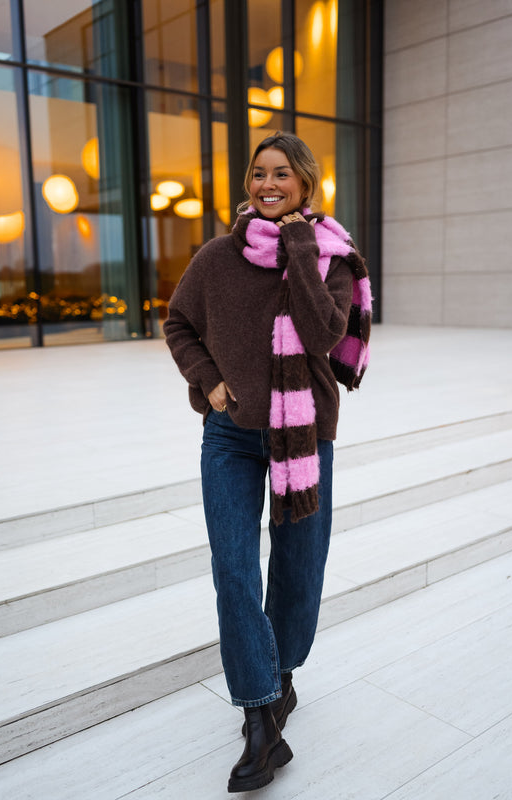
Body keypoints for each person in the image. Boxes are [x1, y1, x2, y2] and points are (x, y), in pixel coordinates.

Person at [164, 131, 371, 793]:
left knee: (298, 568)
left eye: (281, 174)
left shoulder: (330, 257)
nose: (267, 185)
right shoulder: (217, 257)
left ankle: (280, 675)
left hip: (304, 435)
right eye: (258, 174)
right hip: (229, 437)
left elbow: (322, 336)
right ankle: (259, 719)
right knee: (232, 570)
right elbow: (177, 322)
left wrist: (300, 250)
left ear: (305, 183)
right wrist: (211, 384)